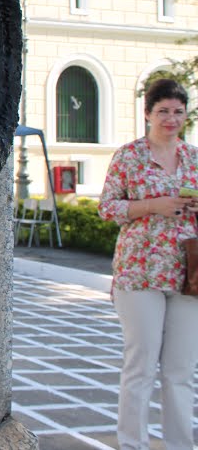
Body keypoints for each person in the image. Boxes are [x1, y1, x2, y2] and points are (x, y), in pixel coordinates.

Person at [98, 78, 198, 450]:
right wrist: (153, 206)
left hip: (188, 275)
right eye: (163, 111)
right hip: (138, 274)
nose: (171, 118)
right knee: (140, 368)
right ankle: (132, 444)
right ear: (147, 113)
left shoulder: (194, 157)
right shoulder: (129, 156)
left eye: (177, 111)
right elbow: (108, 207)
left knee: (181, 372)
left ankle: (180, 446)